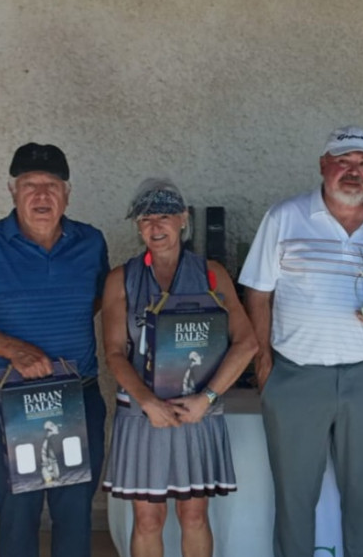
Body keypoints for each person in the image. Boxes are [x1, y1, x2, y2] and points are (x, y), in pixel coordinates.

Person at [0, 143, 109, 557]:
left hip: (77, 395)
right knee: (18, 514)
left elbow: (97, 300)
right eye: (30, 185)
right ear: (13, 191)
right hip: (8, 400)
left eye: (51, 185)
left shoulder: (91, 242)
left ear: (67, 193)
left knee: (76, 511)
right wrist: (15, 349)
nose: (41, 195)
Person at [240, 126, 363, 557]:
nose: (354, 172)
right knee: (295, 503)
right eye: (344, 162)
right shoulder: (285, 216)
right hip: (296, 376)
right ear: (323, 165)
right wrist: (263, 364)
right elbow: (257, 292)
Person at [100, 178, 257, 557]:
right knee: (148, 519)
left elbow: (247, 342)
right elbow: (115, 352)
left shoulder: (211, 273)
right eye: (146, 219)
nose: (156, 226)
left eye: (165, 216)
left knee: (194, 515)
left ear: (183, 219)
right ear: (138, 226)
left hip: (197, 411)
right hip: (142, 413)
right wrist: (148, 402)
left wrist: (208, 397)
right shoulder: (122, 278)